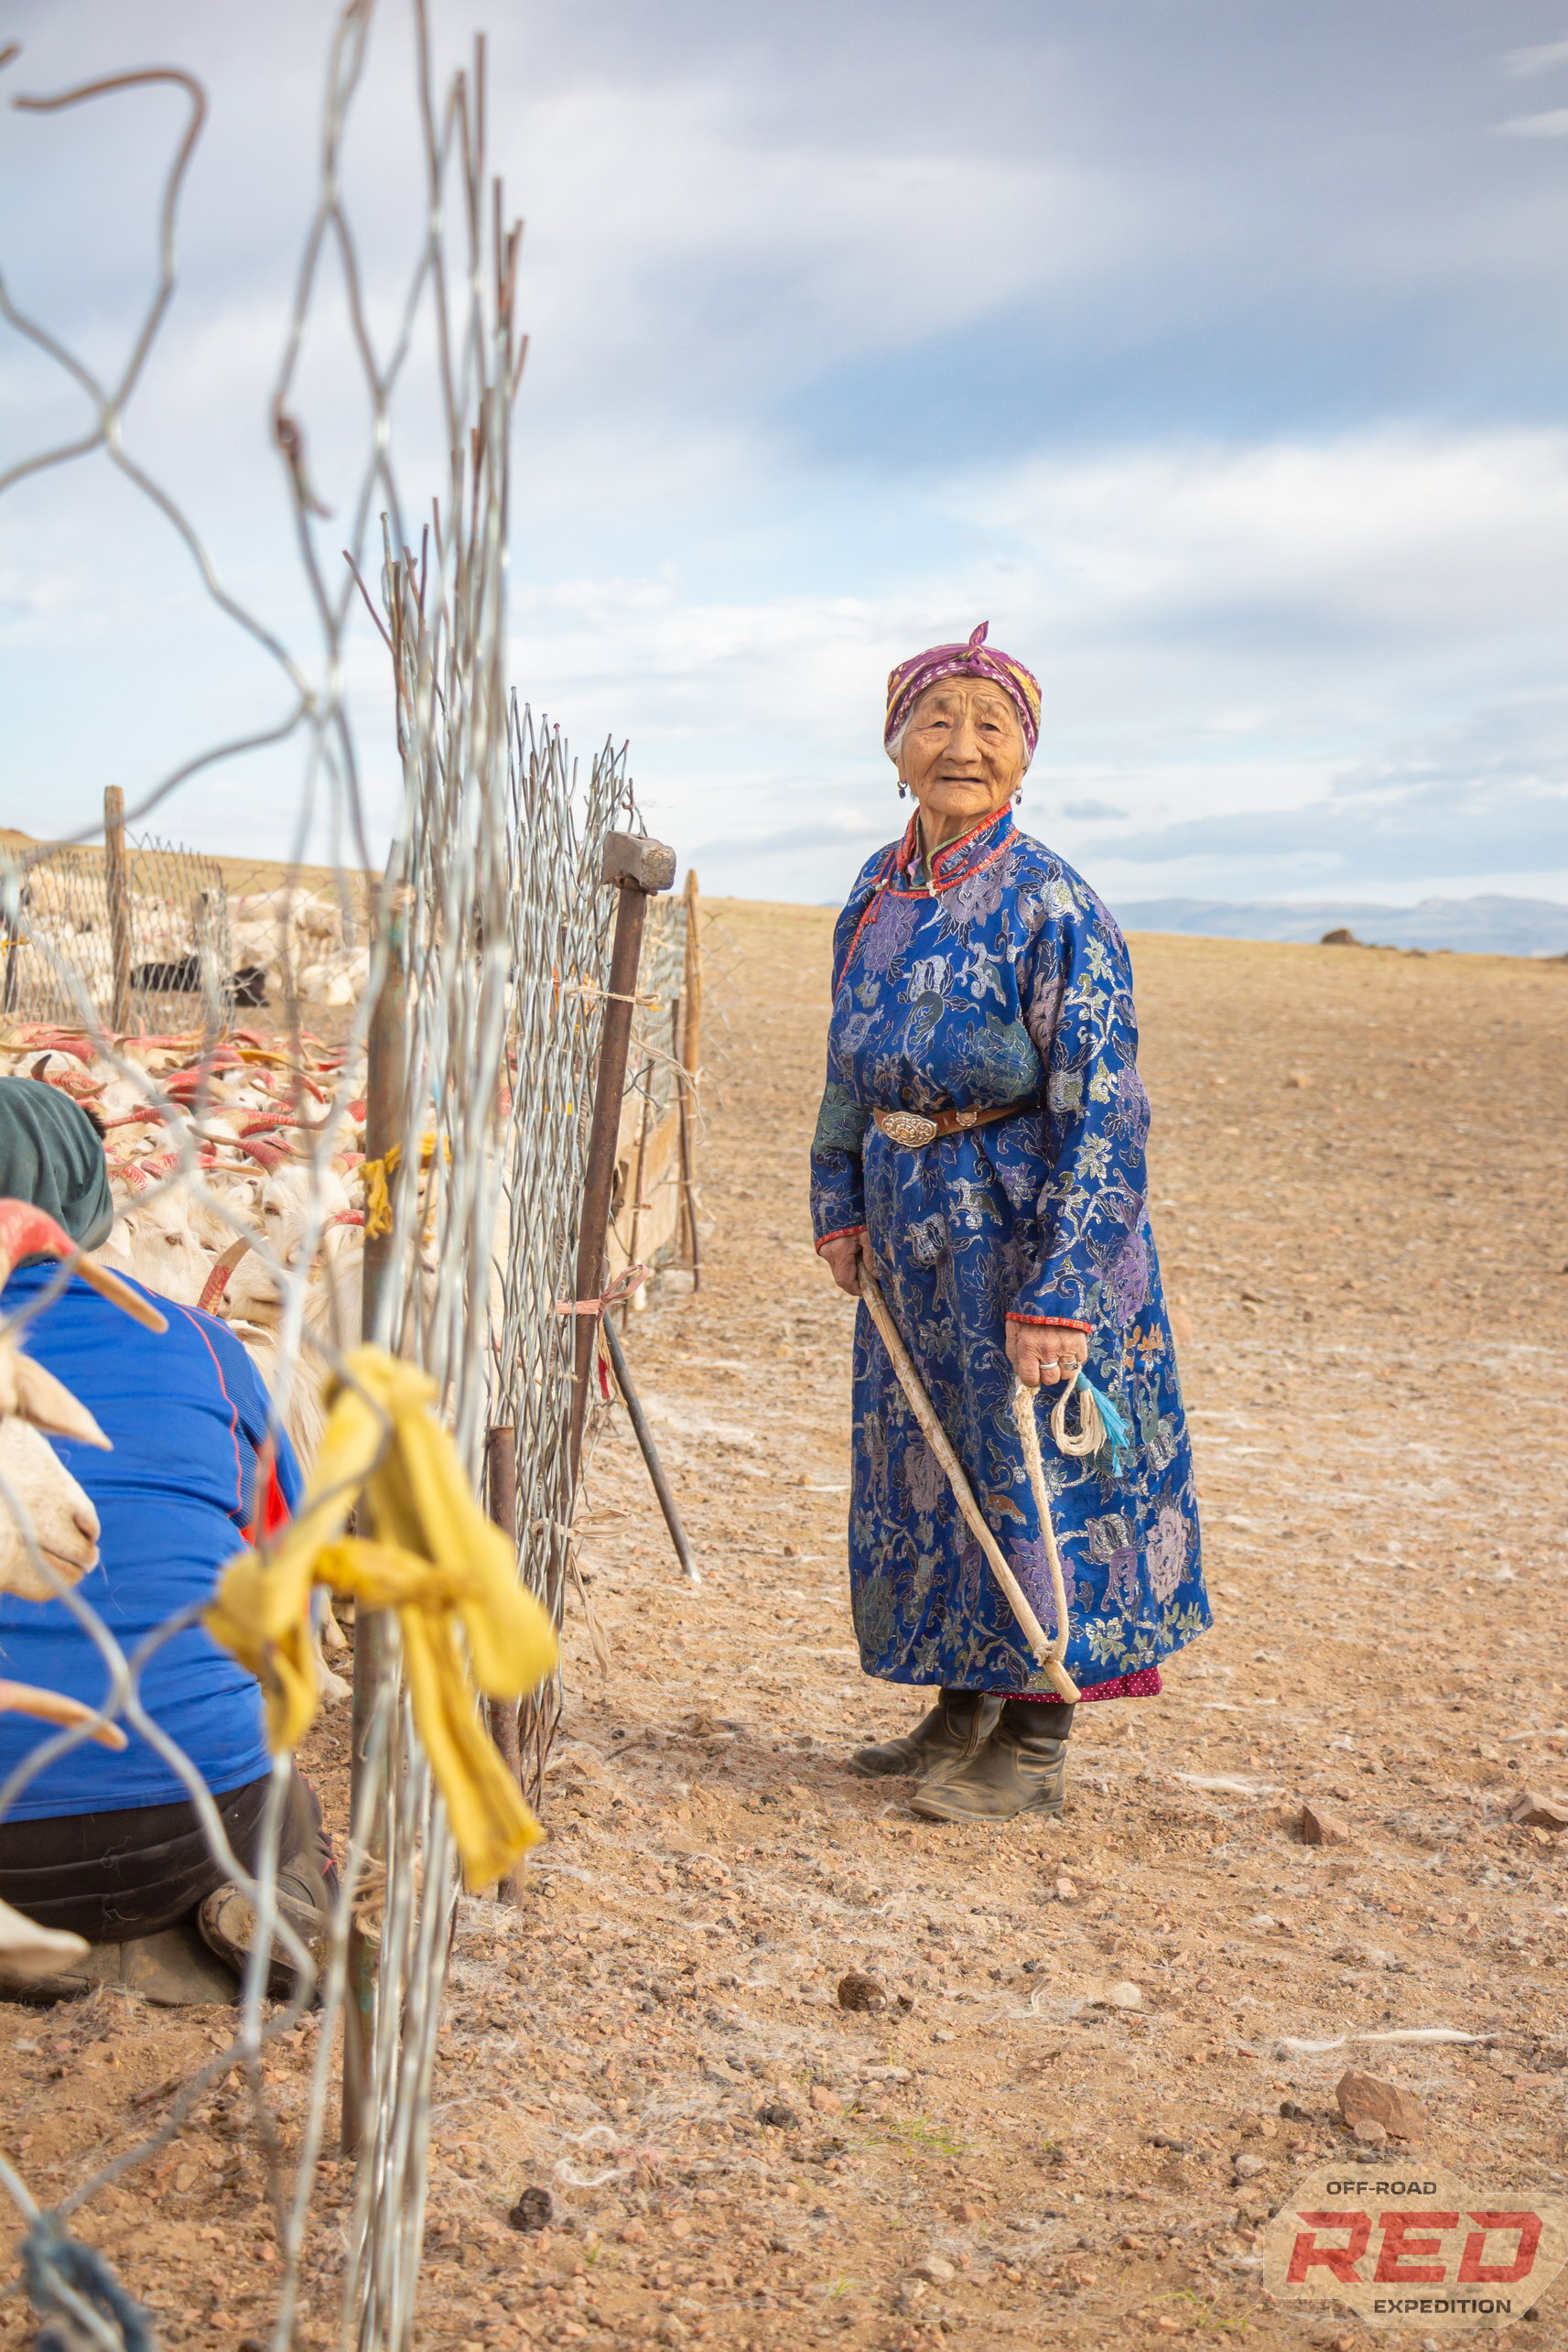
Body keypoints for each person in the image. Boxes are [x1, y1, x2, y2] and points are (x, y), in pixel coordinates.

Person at [811, 624, 1207, 1824]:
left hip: (1025, 1232)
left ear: (1025, 757)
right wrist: (837, 1197)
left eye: (991, 725)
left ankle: (1035, 1732)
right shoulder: (874, 896)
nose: (961, 746)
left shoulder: (1053, 904)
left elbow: (1108, 1112)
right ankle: (958, 1705)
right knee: (925, 1468)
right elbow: (844, 1070)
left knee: (1032, 1474)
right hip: (910, 1236)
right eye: (936, 720)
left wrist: (1063, 1288)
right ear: (894, 747)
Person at [0, 1078, 330, 2003]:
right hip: (198, 1814)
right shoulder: (207, 1347)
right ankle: (283, 1890)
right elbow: (290, 1586)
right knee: (296, 1801)